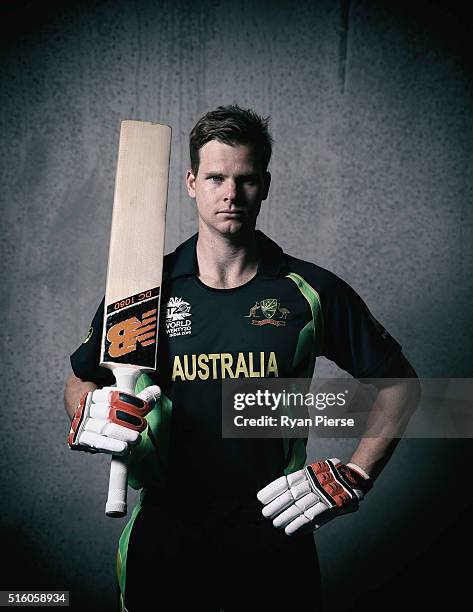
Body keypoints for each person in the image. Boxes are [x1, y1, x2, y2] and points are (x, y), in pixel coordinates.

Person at [64, 105, 420, 611]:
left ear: (265, 185)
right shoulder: (144, 290)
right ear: (191, 182)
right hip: (165, 537)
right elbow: (79, 380)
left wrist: (357, 474)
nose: (231, 194)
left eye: (246, 179)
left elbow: (401, 386)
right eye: (215, 178)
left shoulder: (308, 292)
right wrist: (86, 412)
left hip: (275, 533)